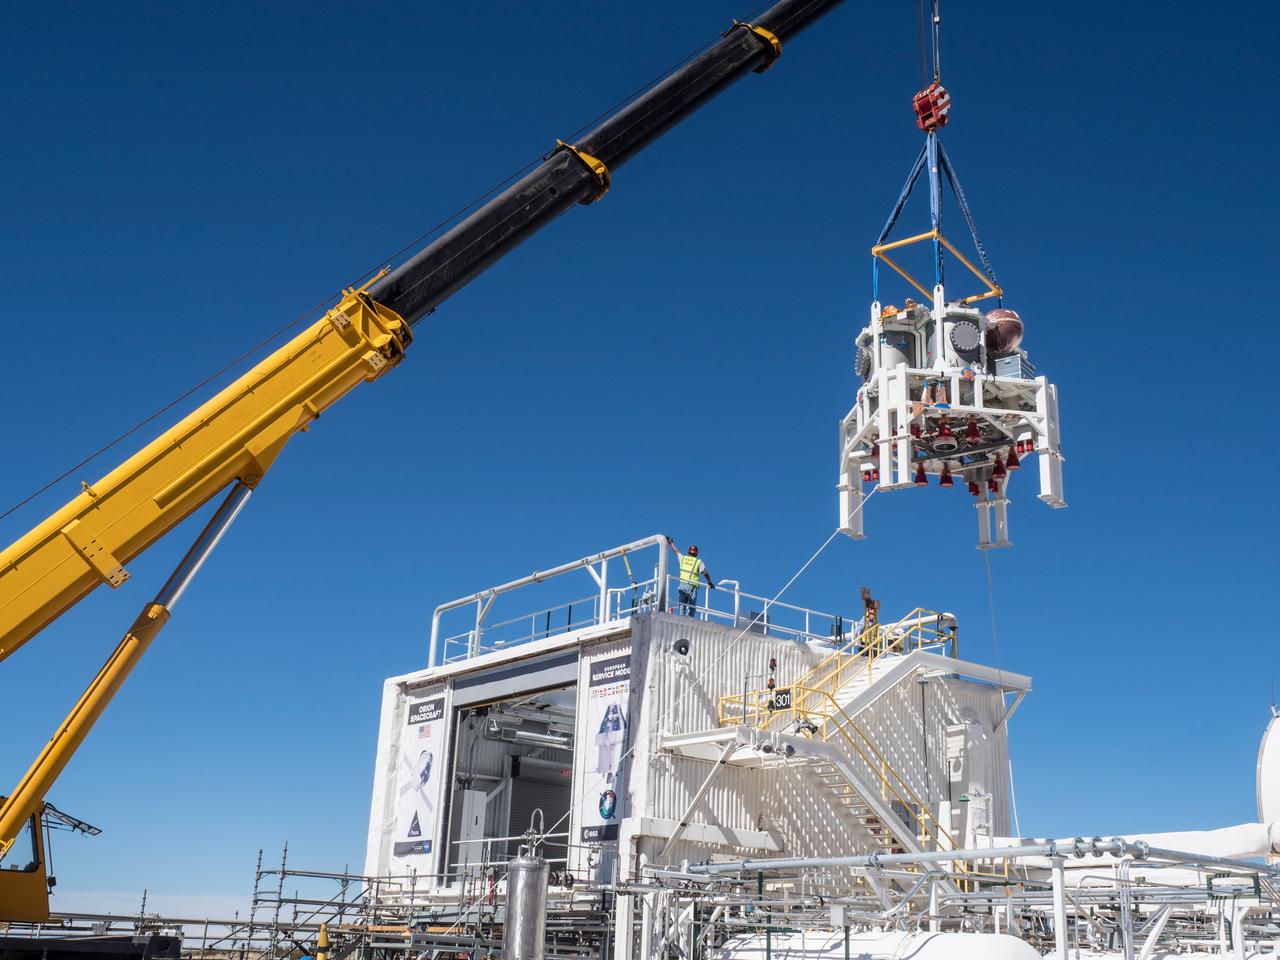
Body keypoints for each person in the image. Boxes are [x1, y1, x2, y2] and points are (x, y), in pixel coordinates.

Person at [666, 537, 714, 617]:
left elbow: (676, 551)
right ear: (696, 554)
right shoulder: (698, 562)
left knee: (682, 606)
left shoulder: (683, 558)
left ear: (688, 552)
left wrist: (671, 542)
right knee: (692, 608)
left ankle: (681, 619)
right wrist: (710, 582)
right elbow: (705, 573)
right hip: (692, 586)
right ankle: (690, 619)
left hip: (682, 585)